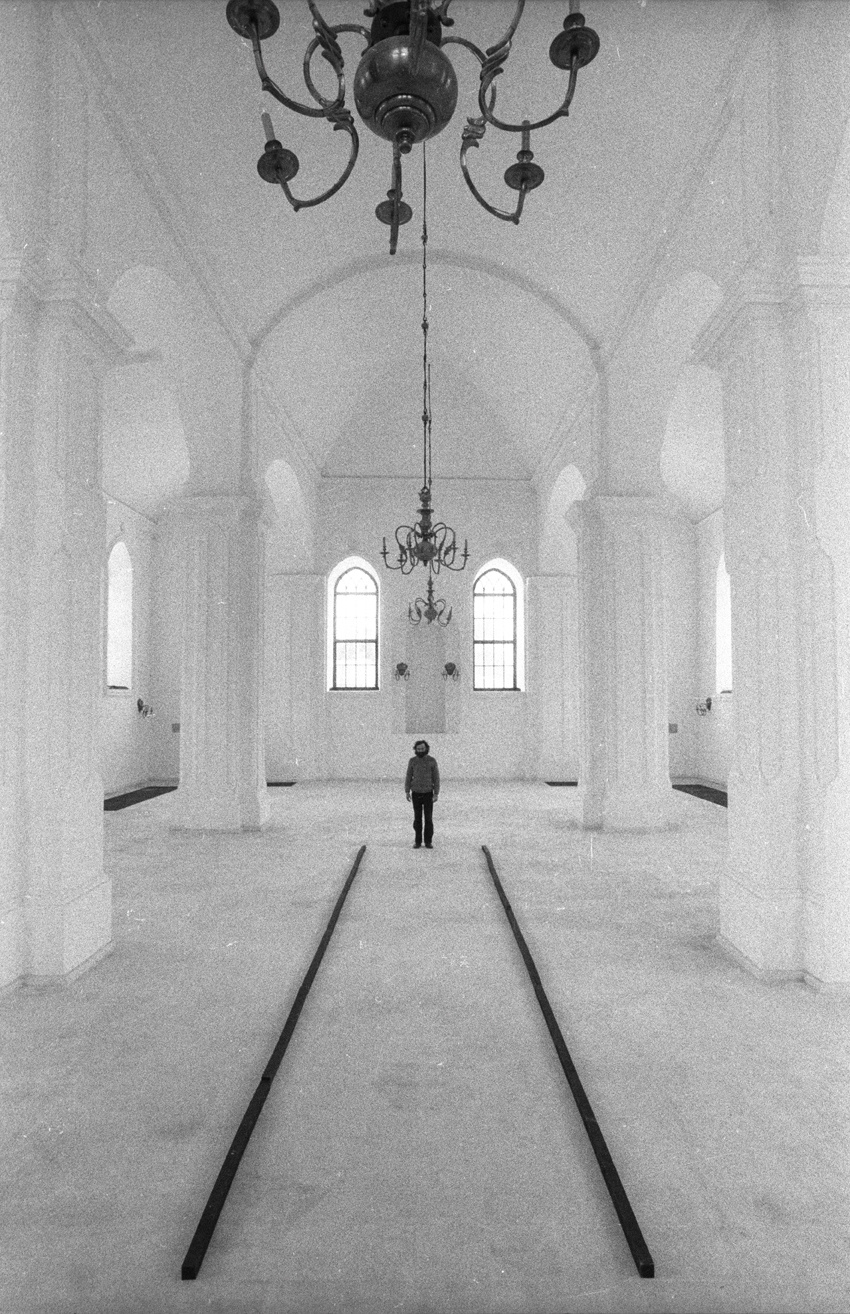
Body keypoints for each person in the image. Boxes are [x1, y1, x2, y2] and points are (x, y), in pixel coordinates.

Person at [404, 739, 440, 849]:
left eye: (422, 749)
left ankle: (428, 841)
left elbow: (436, 778)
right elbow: (408, 776)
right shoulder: (412, 761)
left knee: (428, 819)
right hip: (416, 793)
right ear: (415, 750)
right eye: (418, 749)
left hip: (428, 794)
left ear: (426, 749)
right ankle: (418, 842)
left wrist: (436, 793)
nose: (420, 750)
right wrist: (407, 791)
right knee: (417, 818)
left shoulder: (432, 761)